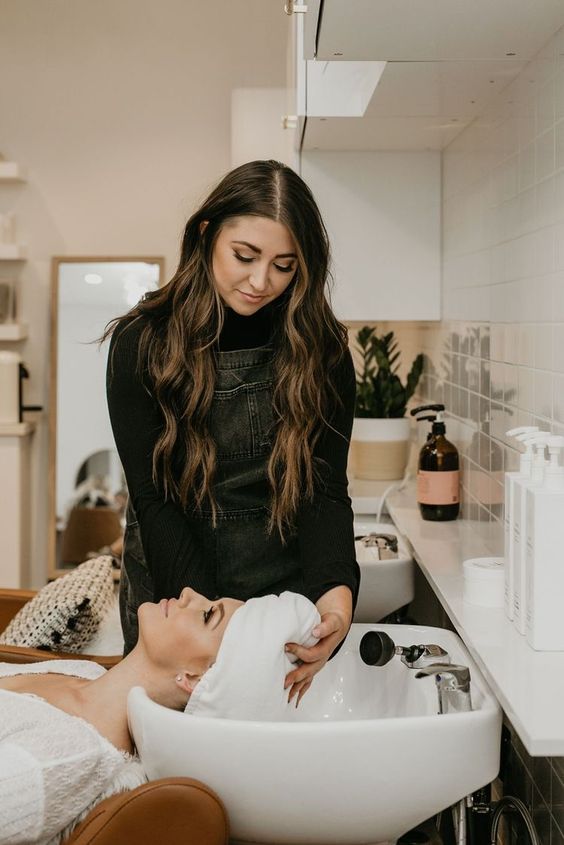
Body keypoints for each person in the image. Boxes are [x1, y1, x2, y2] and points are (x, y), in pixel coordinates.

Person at [105, 159, 360, 702]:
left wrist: (334, 603)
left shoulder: (323, 350)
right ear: (206, 235)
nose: (261, 281)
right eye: (244, 256)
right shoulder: (142, 343)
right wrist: (214, 628)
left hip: (280, 589)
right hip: (177, 588)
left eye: (285, 266)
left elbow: (323, 490)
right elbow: (155, 500)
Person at [0, 587, 243, 845]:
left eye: (207, 615)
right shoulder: (84, 670)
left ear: (195, 679)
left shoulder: (68, 755)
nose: (188, 593)